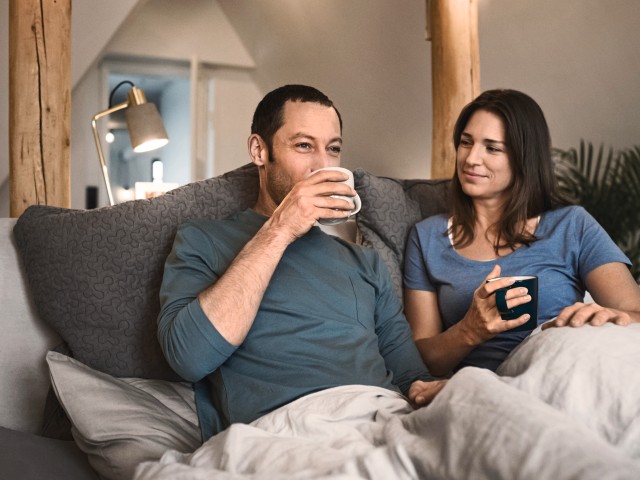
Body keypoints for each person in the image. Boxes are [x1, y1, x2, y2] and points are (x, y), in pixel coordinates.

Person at [157, 84, 446, 441]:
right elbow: (189, 357)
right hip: (288, 430)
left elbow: (411, 378)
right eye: (304, 146)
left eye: (333, 149)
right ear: (259, 150)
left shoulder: (364, 263)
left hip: (384, 421)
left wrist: (451, 393)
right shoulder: (203, 240)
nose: (322, 165)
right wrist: (283, 226)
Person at [403, 88, 640, 377]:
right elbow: (421, 361)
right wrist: (469, 330)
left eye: (492, 148)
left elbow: (635, 313)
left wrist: (607, 316)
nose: (471, 159)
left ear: (524, 159)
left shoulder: (571, 225)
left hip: (563, 371)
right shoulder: (426, 238)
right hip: (479, 389)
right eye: (466, 142)